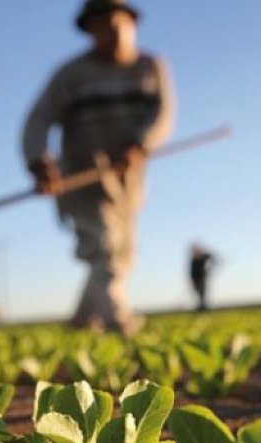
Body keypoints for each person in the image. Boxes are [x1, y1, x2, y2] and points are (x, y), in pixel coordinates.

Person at [22, 0, 175, 336]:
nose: (113, 33)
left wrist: (141, 143)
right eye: (102, 26)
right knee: (103, 246)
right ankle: (117, 322)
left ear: (133, 24)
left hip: (128, 181)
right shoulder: (71, 74)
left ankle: (81, 321)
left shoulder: (151, 66)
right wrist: (38, 162)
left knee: (122, 252)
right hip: (82, 177)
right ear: (90, 31)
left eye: (118, 24)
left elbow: (161, 114)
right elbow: (39, 119)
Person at [189, 244, 216, 311]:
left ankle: (203, 307)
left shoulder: (204, 256)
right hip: (195, 280)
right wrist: (193, 280)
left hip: (202, 278)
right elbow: (192, 272)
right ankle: (201, 306)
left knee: (203, 293)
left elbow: (212, 258)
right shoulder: (193, 260)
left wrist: (210, 268)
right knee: (199, 294)